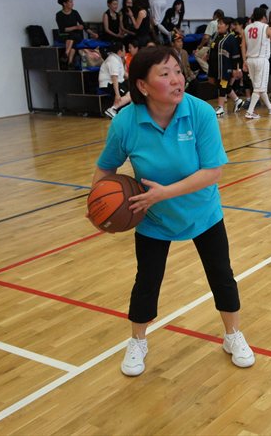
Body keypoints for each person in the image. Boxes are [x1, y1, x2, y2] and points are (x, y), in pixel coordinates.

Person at [90, 46, 255, 377]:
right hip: (153, 217)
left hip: (202, 212)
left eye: (178, 71)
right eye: (165, 74)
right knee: (147, 281)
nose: (177, 79)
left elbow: (213, 172)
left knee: (221, 275)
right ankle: (137, 341)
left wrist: (164, 193)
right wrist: (96, 206)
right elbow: (106, 168)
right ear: (142, 85)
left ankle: (233, 335)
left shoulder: (200, 112)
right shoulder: (125, 123)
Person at [242, 7, 271, 119]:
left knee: (259, 87)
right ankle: (250, 112)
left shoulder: (247, 28)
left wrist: (244, 61)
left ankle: (270, 108)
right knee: (259, 88)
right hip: (261, 60)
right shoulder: (265, 27)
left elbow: (243, 46)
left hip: (250, 60)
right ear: (264, 17)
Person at [208, 17, 243, 116]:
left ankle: (221, 107)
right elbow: (212, 47)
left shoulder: (231, 38)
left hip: (225, 66)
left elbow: (236, 55)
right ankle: (237, 100)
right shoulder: (215, 35)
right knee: (218, 83)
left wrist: (236, 69)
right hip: (214, 65)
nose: (219, 25)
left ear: (227, 26)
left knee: (222, 84)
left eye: (221, 24)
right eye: (218, 23)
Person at [56, 0, 97, 68]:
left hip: (75, 35)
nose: (73, 4)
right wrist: (76, 27)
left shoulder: (75, 12)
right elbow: (63, 29)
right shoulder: (59, 15)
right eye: (70, 2)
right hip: (64, 35)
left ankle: (66, 54)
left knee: (73, 36)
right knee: (72, 37)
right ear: (64, 4)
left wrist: (92, 33)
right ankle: (70, 61)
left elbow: (83, 25)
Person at [99, 42, 131, 119]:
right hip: (109, 84)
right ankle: (112, 109)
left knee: (133, 90)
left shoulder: (118, 59)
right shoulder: (113, 60)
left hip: (118, 82)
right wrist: (117, 94)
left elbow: (124, 74)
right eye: (124, 49)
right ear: (120, 51)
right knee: (131, 95)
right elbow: (114, 78)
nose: (125, 51)